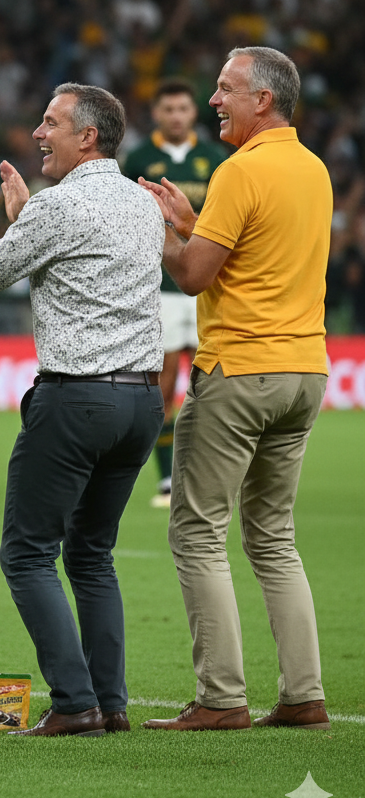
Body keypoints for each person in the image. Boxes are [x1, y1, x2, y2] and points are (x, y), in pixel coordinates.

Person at [0, 83, 164, 738]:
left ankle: (74, 704)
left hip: (76, 397)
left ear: (88, 136)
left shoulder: (58, 204)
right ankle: (112, 702)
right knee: (93, 554)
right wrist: (27, 219)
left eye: (52, 121)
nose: (39, 131)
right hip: (143, 401)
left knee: (27, 555)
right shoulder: (143, 201)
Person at [140, 46, 332, 732]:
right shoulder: (313, 169)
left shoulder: (239, 171)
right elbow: (254, 255)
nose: (214, 100)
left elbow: (193, 277)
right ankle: (304, 694)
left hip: (241, 369)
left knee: (197, 531)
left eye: (225, 89)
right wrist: (195, 225)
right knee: (274, 536)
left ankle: (221, 699)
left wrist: (163, 230)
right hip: (305, 369)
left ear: (265, 100)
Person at [124, 80, 225, 506]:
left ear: (192, 112)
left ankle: (209, 480)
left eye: (184, 108)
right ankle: (166, 481)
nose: (177, 115)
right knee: (162, 387)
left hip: (206, 287)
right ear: (158, 114)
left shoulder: (217, 159)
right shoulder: (140, 159)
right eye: (169, 109)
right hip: (161, 289)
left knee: (212, 388)